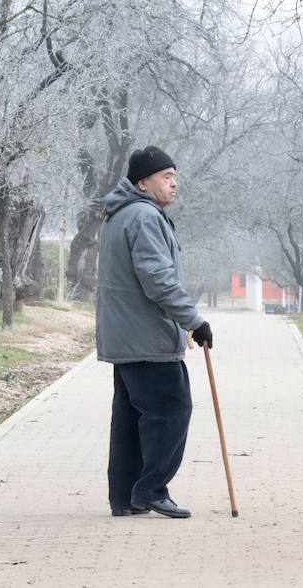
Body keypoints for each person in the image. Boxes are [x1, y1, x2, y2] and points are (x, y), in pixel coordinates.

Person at [95, 145, 214, 519]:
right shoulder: (144, 218)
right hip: (147, 338)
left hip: (127, 338)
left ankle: (126, 497)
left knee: (130, 419)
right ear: (143, 182)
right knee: (172, 410)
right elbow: (158, 280)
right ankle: (150, 489)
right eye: (166, 176)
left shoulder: (122, 215)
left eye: (174, 176)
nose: (174, 183)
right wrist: (193, 321)